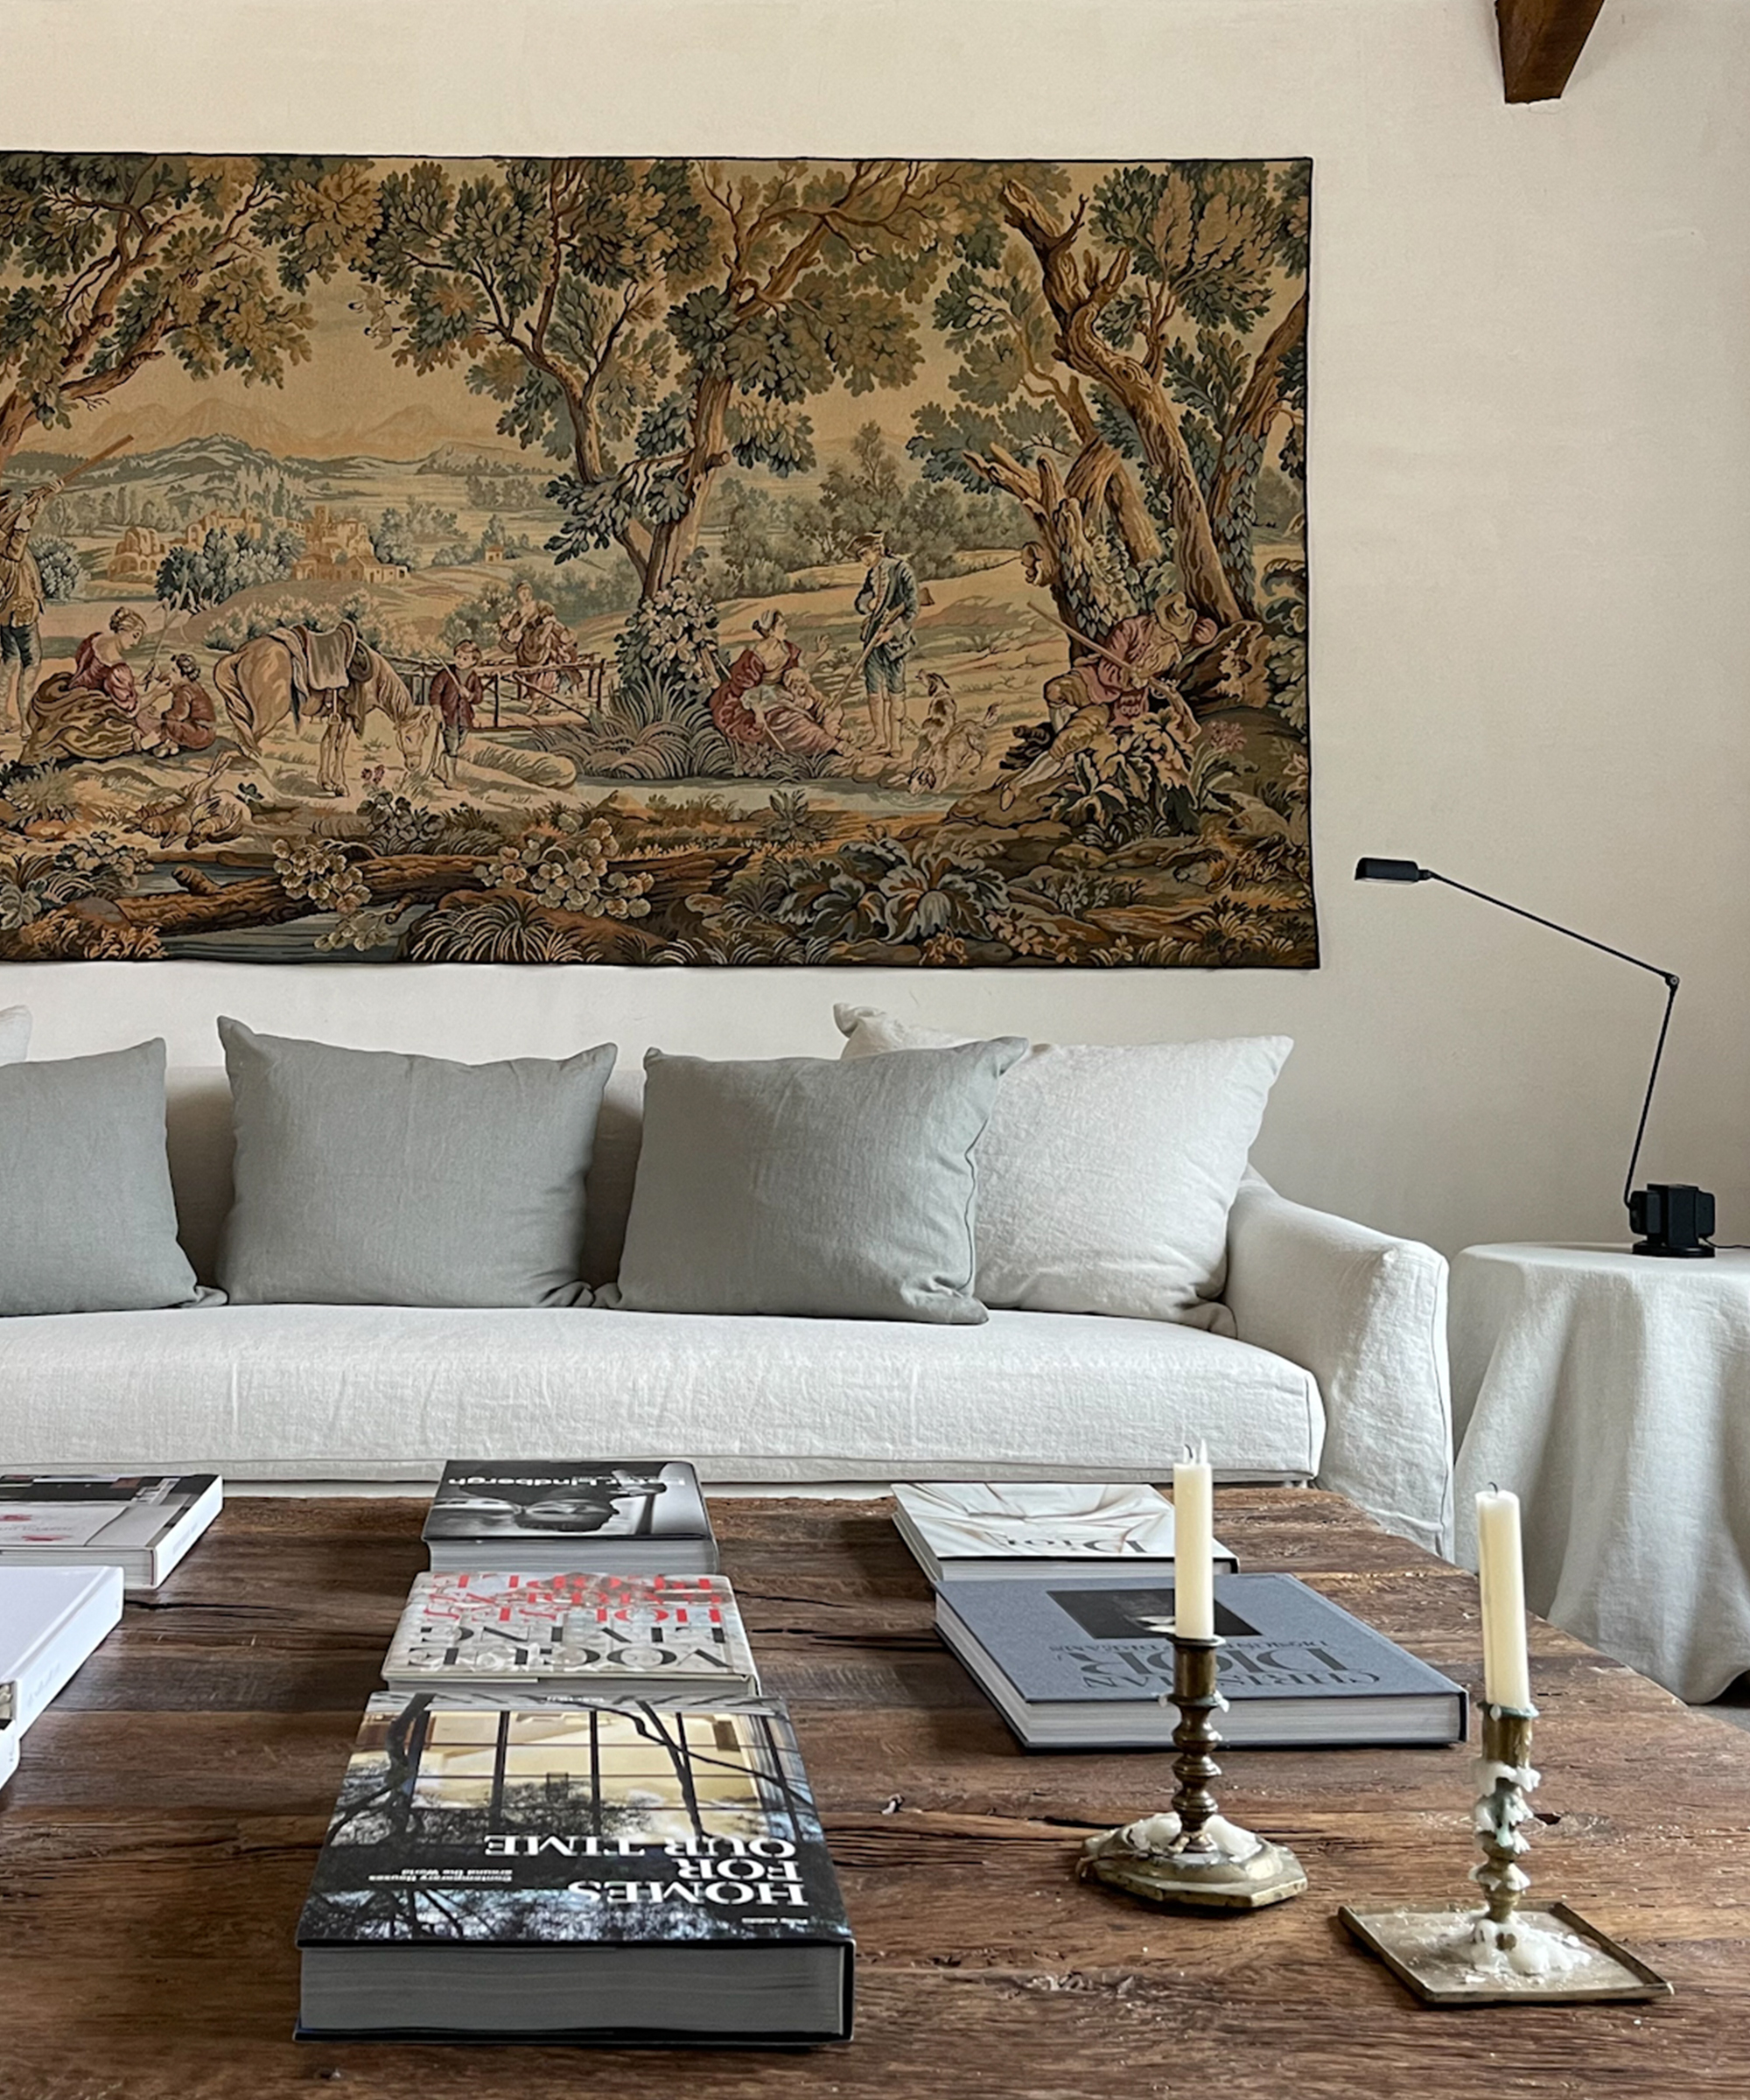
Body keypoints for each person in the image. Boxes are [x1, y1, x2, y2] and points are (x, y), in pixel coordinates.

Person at [998, 588, 1206, 811]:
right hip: (1094, 683)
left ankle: (1018, 784)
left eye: (1171, 636)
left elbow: (1157, 684)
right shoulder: (1128, 629)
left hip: (1117, 707)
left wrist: (1161, 689)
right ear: (1155, 619)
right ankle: (1070, 753)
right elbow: (1107, 671)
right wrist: (1129, 678)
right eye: (1164, 632)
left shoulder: (1169, 653)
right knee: (1054, 690)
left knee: (1067, 741)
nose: (1165, 638)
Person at [22, 606, 150, 766]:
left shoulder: (95, 639)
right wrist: (157, 692)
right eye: (135, 636)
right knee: (126, 729)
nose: (136, 643)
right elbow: (128, 706)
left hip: (69, 692)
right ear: (124, 629)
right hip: (88, 705)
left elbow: (91, 668)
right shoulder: (117, 666)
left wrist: (135, 680)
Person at [709, 609, 839, 760]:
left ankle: (833, 730)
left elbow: (802, 660)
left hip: (783, 693)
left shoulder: (786, 647)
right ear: (771, 630)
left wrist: (820, 652)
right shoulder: (757, 655)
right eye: (782, 625)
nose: (786, 628)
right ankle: (828, 744)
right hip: (765, 700)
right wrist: (758, 713)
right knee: (795, 723)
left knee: (817, 702)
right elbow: (748, 690)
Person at [851, 529, 919, 756]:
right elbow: (861, 600)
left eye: (864, 554)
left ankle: (895, 743)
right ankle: (879, 738)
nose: (863, 560)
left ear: (877, 549)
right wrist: (866, 603)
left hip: (895, 643)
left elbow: (912, 609)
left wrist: (892, 633)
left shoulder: (901, 570)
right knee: (873, 690)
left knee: (895, 691)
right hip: (872, 639)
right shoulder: (872, 573)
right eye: (860, 556)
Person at [0, 482, 52, 738]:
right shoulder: (4, 542)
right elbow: (16, 547)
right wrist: (24, 515)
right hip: (20, 612)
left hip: (8, 613)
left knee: (9, 661)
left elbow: (23, 524)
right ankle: (26, 725)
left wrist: (39, 503)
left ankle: (1, 720)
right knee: (32, 663)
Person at [430, 637, 484, 788]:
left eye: (465, 658)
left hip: (465, 718)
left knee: (458, 744)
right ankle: (451, 779)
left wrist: (469, 695)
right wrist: (436, 708)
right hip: (450, 716)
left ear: (473, 661)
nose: (460, 660)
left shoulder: (473, 677)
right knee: (452, 746)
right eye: (458, 656)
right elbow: (435, 690)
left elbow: (479, 697)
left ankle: (440, 769)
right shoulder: (446, 673)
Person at [152, 654, 218, 755]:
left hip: (199, 733)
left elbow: (179, 714)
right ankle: (172, 744)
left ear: (184, 675)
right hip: (208, 731)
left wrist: (161, 715)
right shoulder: (191, 685)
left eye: (174, 671)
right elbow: (172, 684)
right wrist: (158, 676)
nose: (170, 674)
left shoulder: (184, 692)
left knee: (168, 722)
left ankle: (168, 744)